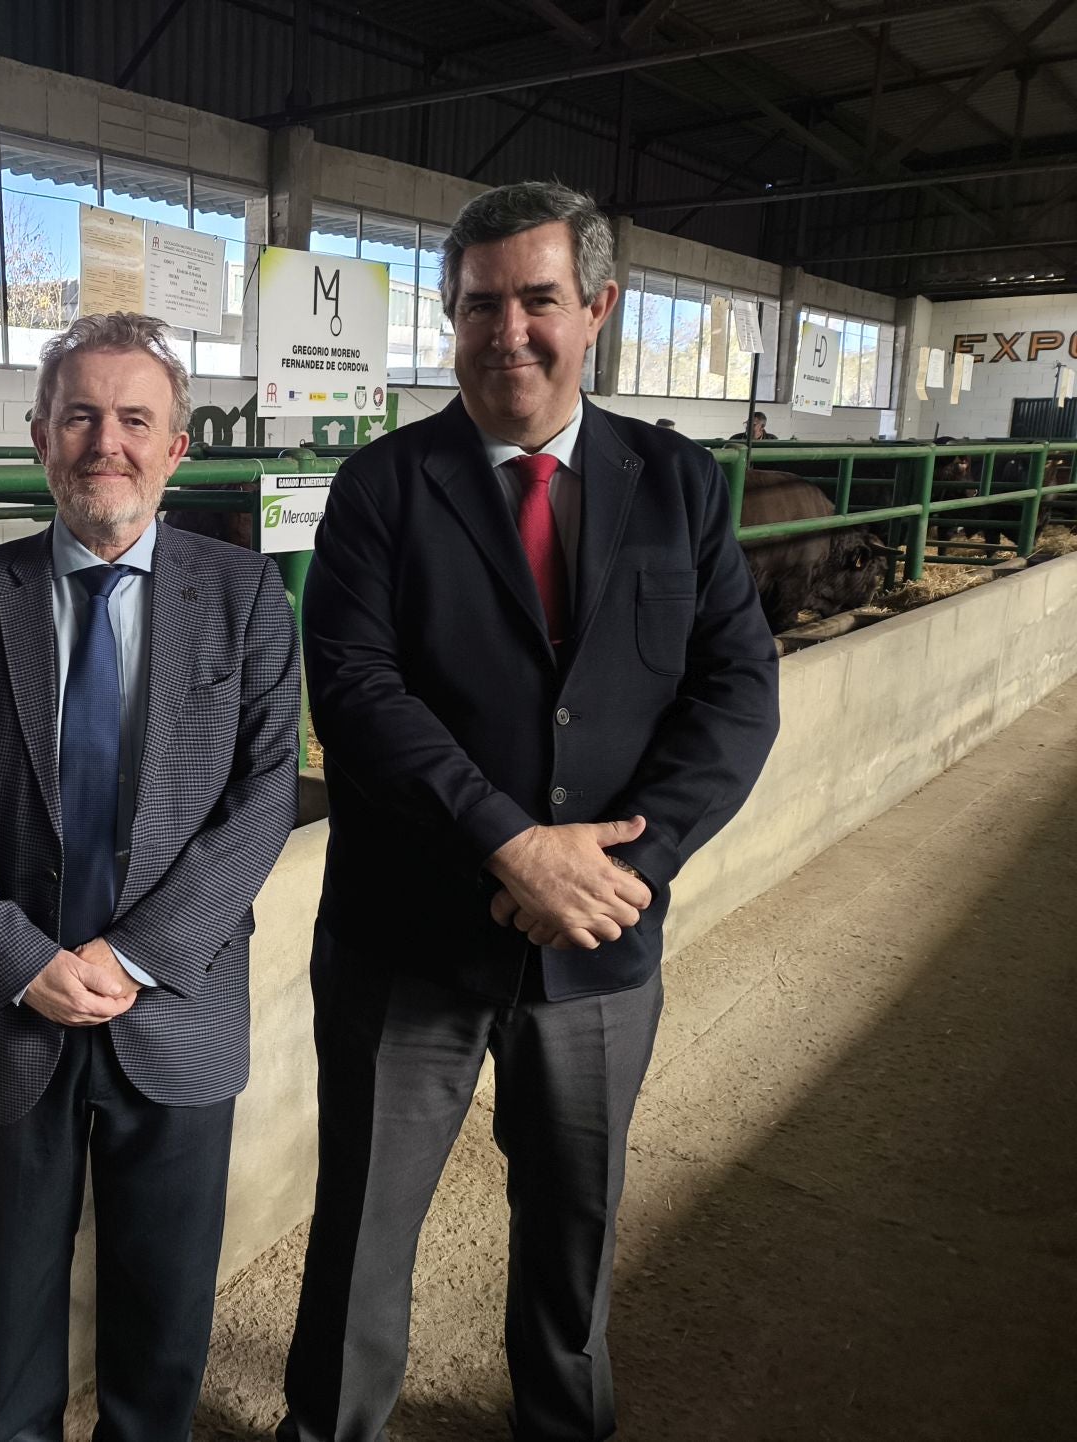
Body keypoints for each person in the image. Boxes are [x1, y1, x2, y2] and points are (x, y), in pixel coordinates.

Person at [279, 181, 780, 1442]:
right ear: (450, 318)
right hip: (408, 938)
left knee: (576, 1225)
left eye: (538, 299)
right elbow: (358, 692)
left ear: (597, 308)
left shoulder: (678, 483)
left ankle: (566, 1423)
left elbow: (736, 688)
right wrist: (509, 842)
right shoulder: (382, 488)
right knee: (364, 1224)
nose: (509, 331)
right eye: (480, 305)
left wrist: (631, 865)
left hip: (602, 937)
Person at [0, 312, 301, 1442]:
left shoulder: (246, 595)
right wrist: (22, 960)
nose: (104, 442)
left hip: (178, 1007)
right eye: (79, 416)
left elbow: (266, 793)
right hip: (13, 1014)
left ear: (176, 448)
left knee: (164, 1317)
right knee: (12, 1315)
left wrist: (139, 953)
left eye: (134, 419)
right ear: (40, 437)